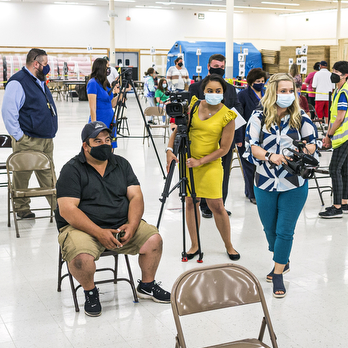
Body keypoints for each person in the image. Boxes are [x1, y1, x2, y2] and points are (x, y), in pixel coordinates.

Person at [56, 121, 171, 317]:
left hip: (120, 224)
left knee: (154, 240)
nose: (105, 144)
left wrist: (133, 226)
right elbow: (68, 210)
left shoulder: (121, 164)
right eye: (97, 141)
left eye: (108, 140)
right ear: (86, 145)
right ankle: (90, 291)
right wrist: (98, 232)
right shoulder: (72, 170)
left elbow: (136, 197)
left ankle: (147, 285)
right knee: (81, 259)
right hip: (81, 228)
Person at [245, 73, 318, 297]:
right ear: (272, 91)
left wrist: (303, 151)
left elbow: (313, 144)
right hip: (265, 181)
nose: (287, 95)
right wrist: (270, 156)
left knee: (285, 231)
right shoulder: (258, 116)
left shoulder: (300, 116)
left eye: (290, 91)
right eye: (282, 91)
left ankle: (278, 273)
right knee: (270, 230)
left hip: (294, 183)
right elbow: (251, 146)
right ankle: (282, 259)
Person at [166, 75, 240, 260]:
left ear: (223, 93)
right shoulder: (194, 106)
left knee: (217, 205)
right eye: (209, 90)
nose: (213, 94)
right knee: (191, 202)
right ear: (203, 91)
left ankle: (229, 245)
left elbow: (224, 149)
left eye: (218, 91)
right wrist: (169, 149)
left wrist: (201, 161)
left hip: (211, 164)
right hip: (188, 161)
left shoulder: (228, 116)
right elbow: (178, 129)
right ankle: (194, 245)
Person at [1, 48, 59, 220]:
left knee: (49, 175)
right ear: (36, 64)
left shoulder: (38, 80)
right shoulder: (18, 82)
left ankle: (59, 209)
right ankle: (21, 208)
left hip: (45, 139)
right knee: (22, 175)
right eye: (46, 64)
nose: (48, 68)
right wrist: (19, 137)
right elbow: (8, 112)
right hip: (28, 139)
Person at [188, 54, 238, 218]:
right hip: (202, 141)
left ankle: (220, 203)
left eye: (222, 66)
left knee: (224, 172)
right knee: (200, 171)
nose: (219, 69)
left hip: (224, 137)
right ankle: (203, 204)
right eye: (216, 66)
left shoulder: (230, 89)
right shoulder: (195, 87)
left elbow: (237, 109)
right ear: (208, 66)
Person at [319, 61, 348, 219]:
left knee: (334, 169)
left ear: (345, 76)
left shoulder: (343, 92)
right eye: (333, 70)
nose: (333, 74)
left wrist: (329, 135)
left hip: (344, 135)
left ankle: (336, 207)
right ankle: (343, 203)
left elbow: (340, 118)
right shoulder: (339, 90)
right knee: (343, 170)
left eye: (336, 72)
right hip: (345, 135)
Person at [237, 68, 268, 203]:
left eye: (262, 81)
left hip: (263, 135)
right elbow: (237, 117)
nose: (260, 83)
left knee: (260, 165)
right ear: (250, 82)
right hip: (246, 135)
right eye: (257, 81)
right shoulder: (243, 95)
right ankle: (252, 194)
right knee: (249, 166)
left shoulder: (266, 94)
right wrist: (239, 138)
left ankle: (257, 190)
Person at [87, 58, 121, 147]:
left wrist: (120, 95)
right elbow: (92, 107)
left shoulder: (105, 83)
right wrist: (94, 126)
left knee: (111, 148)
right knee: (100, 148)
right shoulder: (93, 83)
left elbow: (111, 104)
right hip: (100, 120)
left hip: (110, 119)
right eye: (107, 67)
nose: (108, 70)